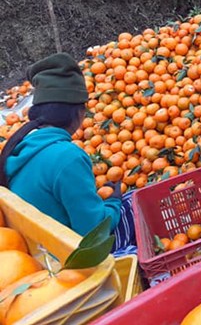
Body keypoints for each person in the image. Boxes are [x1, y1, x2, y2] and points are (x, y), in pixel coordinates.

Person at [0, 53, 124, 238]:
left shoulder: (19, 147)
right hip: (66, 259)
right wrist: (114, 203)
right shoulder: (68, 157)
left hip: (34, 253)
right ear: (79, 113)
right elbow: (94, 231)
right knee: (131, 209)